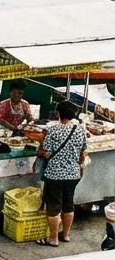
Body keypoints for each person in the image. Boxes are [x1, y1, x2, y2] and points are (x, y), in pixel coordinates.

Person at [38, 100, 88, 247]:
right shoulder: (80, 129)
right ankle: (65, 235)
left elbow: (46, 153)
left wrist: (41, 149)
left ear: (58, 113)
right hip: (73, 174)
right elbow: (83, 152)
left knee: (54, 206)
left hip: (55, 174)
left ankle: (53, 239)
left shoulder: (53, 130)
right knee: (68, 204)